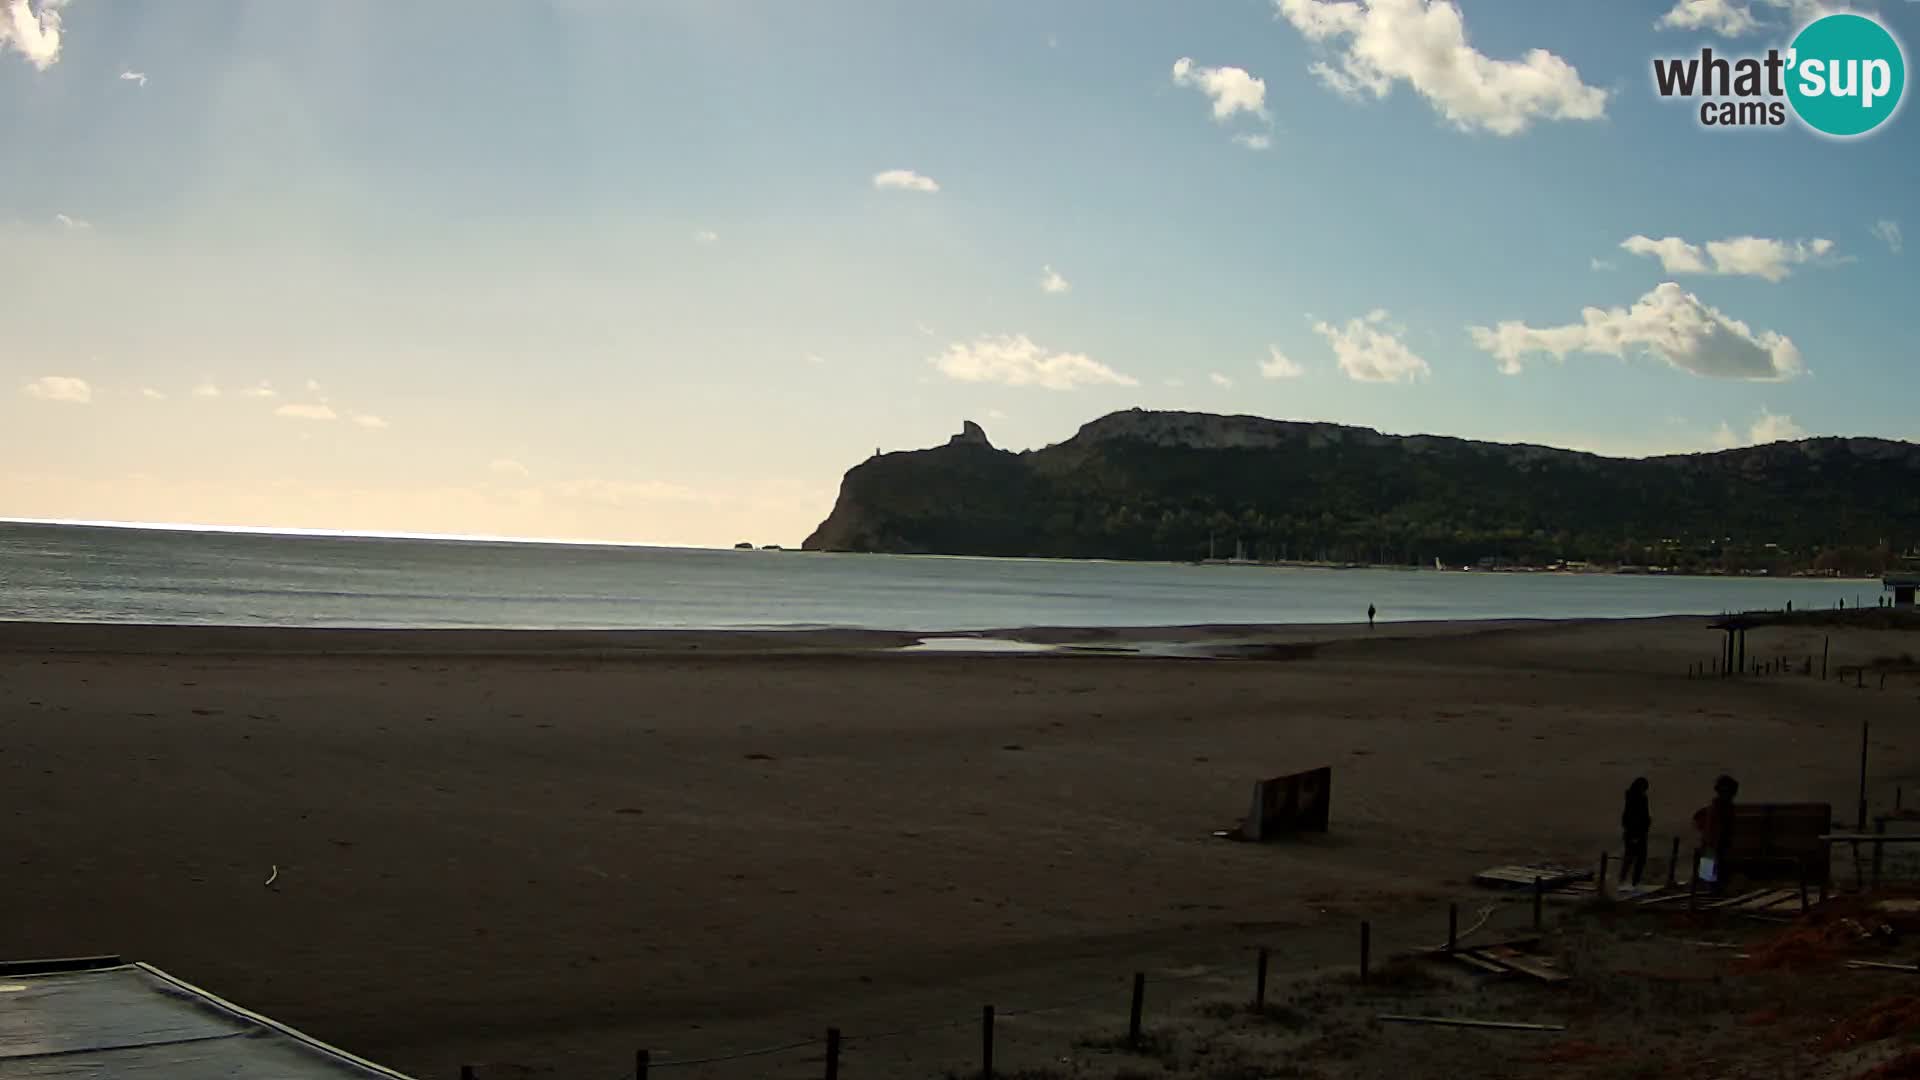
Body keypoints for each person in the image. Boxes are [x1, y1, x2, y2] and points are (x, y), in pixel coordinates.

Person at [1691, 774, 1740, 896]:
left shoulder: (1720, 807)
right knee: (1710, 876)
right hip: (1714, 845)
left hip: (1716, 845)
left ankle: (1711, 892)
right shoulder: (1719, 807)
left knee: (1711, 876)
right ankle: (1710, 892)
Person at [1619, 777, 1651, 886]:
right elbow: (1634, 817)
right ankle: (1631, 882)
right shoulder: (1637, 798)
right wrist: (1635, 834)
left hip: (1636, 832)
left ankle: (1627, 881)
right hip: (1636, 833)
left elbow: (1627, 818)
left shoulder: (1634, 797)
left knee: (1632, 858)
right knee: (1635, 858)